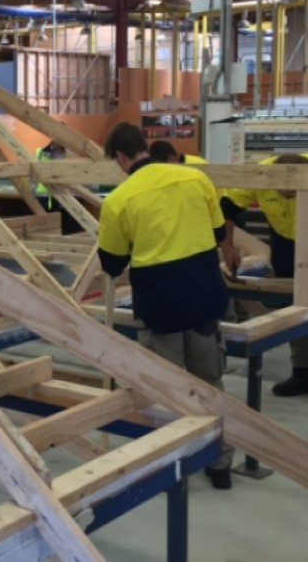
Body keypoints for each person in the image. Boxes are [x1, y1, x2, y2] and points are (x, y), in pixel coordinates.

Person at [98, 122, 234, 489]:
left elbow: (111, 263)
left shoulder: (119, 200)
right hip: (205, 299)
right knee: (210, 383)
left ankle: (177, 470)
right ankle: (220, 464)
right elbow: (220, 234)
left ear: (122, 157)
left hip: (161, 309)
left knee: (167, 391)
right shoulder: (196, 180)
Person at [220, 153, 308, 396]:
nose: (287, 197)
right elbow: (227, 206)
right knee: (293, 302)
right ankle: (302, 370)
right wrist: (227, 246)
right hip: (283, 238)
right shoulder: (260, 174)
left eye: (293, 194)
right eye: (282, 193)